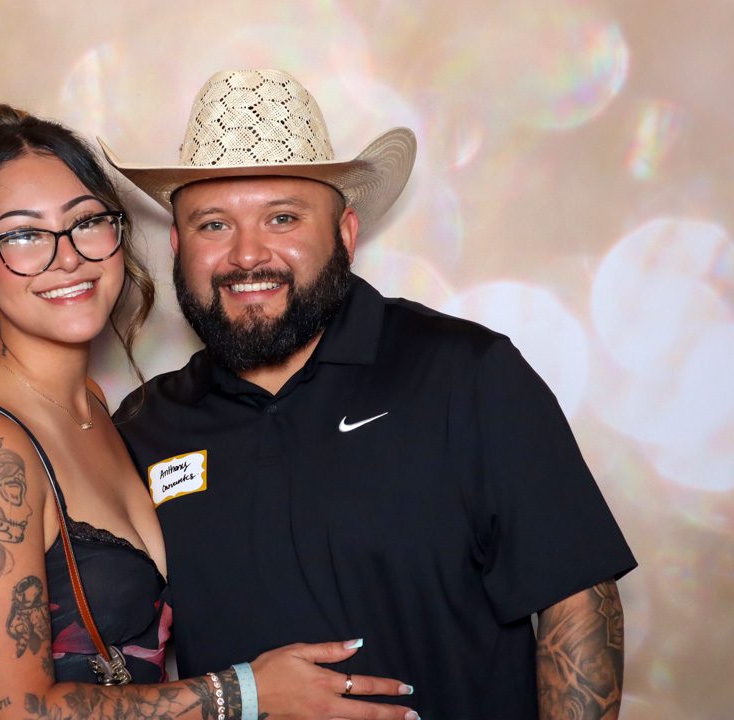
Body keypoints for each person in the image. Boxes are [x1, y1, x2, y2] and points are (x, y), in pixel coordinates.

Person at [96, 69, 638, 719]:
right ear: (178, 246)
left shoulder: (466, 375)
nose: (246, 255)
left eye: (282, 218)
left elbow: (575, 597)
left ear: (346, 234)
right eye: (213, 225)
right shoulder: (144, 427)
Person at [0, 103, 420, 720]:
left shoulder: (106, 413)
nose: (66, 257)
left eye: (85, 222)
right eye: (23, 235)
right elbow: (13, 714)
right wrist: (247, 693)